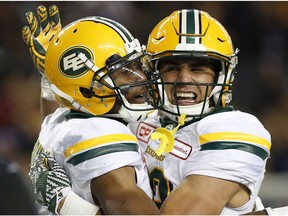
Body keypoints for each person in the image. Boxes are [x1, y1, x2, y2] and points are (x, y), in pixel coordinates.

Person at [25, 6, 288, 216]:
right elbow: (70, 121)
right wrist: (57, 78)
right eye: (171, 67)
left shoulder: (234, 130)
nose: (183, 78)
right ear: (152, 71)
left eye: (198, 68)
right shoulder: (135, 115)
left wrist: (63, 202)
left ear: (223, 76)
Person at [22, 5, 160, 215]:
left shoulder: (62, 120)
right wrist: (65, 204)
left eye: (137, 65)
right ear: (87, 91)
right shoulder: (100, 132)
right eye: (124, 71)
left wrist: (51, 80)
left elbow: (59, 117)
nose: (140, 78)